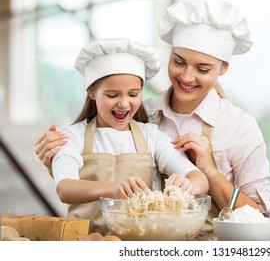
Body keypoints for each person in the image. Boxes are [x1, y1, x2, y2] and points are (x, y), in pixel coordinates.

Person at [35, 0, 270, 226]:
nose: (186, 77)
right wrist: (56, 160)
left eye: (203, 69)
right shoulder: (144, 114)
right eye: (179, 61)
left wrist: (211, 173)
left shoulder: (239, 127)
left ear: (223, 68)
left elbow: (260, 218)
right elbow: (81, 174)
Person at [48, 38, 209, 235]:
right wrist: (113, 190)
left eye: (133, 94)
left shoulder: (151, 136)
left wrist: (187, 184)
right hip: (86, 245)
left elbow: (200, 179)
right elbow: (65, 188)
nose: (124, 103)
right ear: (91, 92)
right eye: (112, 95)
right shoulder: (73, 136)